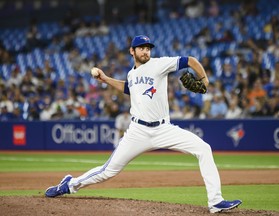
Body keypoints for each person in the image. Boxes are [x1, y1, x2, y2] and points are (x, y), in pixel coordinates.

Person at [45, 35, 242, 213]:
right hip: (138, 132)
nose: (146, 51)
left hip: (164, 129)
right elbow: (128, 88)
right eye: (141, 48)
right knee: (108, 171)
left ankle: (215, 201)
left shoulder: (159, 64)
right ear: (132, 51)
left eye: (148, 48)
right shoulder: (131, 74)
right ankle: (70, 184)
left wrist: (204, 80)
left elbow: (191, 61)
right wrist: (104, 79)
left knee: (204, 149)